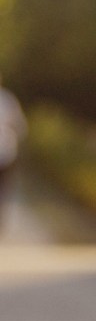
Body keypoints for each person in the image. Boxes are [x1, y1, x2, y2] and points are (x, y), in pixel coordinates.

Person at [0, 75, 25, 223]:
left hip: (6, 153)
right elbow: (21, 128)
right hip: (7, 153)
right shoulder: (9, 101)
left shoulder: (8, 101)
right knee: (3, 189)